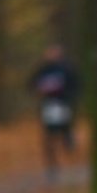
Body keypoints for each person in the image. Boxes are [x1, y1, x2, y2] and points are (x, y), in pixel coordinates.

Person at [29, 44, 80, 176]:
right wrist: (39, 90)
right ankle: (52, 166)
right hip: (48, 105)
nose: (51, 55)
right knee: (49, 136)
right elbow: (31, 84)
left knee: (65, 129)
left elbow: (77, 84)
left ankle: (69, 142)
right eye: (49, 52)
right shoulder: (43, 70)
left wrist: (69, 97)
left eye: (54, 52)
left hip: (63, 103)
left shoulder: (66, 68)